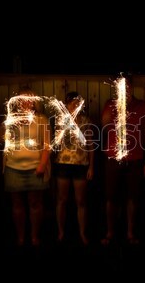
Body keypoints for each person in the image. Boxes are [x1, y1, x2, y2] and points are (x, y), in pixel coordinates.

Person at [101, 75, 145, 245]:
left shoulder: (143, 106)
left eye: (128, 86)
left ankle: (130, 233)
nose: (125, 90)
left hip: (136, 159)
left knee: (133, 197)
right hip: (113, 158)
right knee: (111, 197)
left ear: (132, 87)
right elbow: (105, 126)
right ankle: (110, 232)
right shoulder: (110, 104)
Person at [3, 88, 51, 247]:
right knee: (17, 205)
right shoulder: (10, 119)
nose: (27, 102)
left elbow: (47, 145)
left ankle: (35, 237)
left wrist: (42, 165)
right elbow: (0, 140)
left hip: (35, 168)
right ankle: (21, 238)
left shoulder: (42, 119)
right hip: (13, 168)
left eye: (31, 99)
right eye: (23, 98)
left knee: (35, 204)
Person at [54, 92, 94, 246]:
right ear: (66, 104)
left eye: (77, 103)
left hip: (81, 165)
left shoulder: (85, 121)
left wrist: (92, 166)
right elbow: (56, 142)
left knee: (81, 201)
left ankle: (82, 233)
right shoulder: (60, 120)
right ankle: (61, 232)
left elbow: (90, 145)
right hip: (63, 164)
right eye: (71, 103)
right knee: (62, 199)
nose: (74, 106)